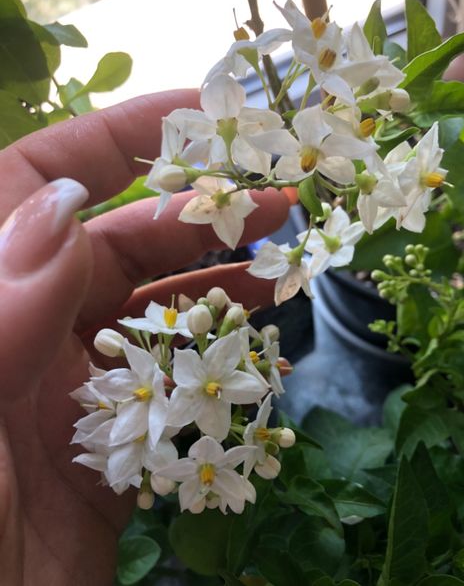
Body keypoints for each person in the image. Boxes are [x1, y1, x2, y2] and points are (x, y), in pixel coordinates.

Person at [0, 90, 289, 585]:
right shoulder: (166, 401)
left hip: (170, 375)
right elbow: (172, 400)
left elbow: (170, 394)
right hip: (170, 383)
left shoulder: (166, 388)